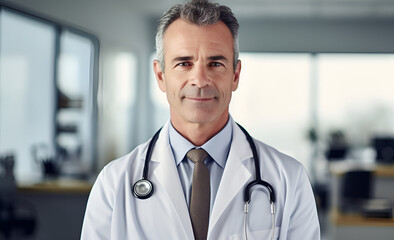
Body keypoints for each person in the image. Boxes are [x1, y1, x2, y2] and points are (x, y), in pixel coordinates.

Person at [81, 0, 320, 239]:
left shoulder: (289, 178)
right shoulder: (114, 183)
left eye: (215, 63)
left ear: (235, 75)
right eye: (184, 63)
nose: (200, 80)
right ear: (160, 76)